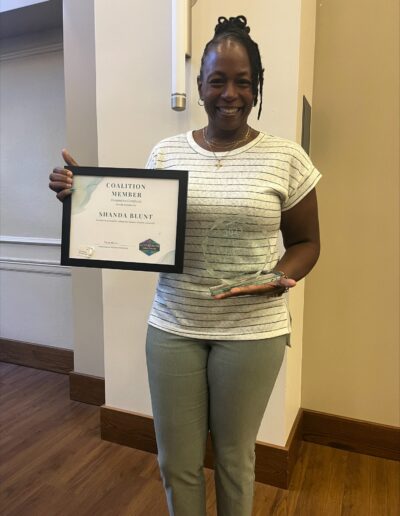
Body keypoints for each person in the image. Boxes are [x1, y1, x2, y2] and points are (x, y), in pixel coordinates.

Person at [49, 15, 320, 516]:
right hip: (174, 325)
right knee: (176, 461)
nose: (230, 93)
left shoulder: (287, 157)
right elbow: (139, 230)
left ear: (257, 86)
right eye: (218, 80)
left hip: (252, 331)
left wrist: (283, 276)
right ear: (200, 86)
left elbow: (306, 242)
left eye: (243, 81)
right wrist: (83, 201)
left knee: (235, 460)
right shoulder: (167, 153)